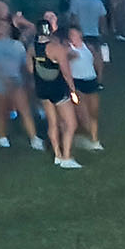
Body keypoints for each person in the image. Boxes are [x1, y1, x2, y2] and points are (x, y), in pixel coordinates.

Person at [0, 18, 43, 151]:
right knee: (0, 111)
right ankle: (3, 137)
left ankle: (34, 138)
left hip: (16, 81)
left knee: (25, 110)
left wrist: (27, 79)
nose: (3, 29)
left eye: (5, 26)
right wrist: (3, 79)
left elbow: (23, 64)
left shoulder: (17, 45)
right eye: (0, 26)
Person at [30, 14, 81, 170]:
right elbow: (66, 72)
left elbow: (29, 69)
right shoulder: (56, 48)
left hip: (42, 89)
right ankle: (66, 156)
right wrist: (72, 90)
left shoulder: (32, 48)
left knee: (52, 122)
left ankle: (57, 155)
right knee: (71, 123)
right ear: (50, 30)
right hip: (57, 89)